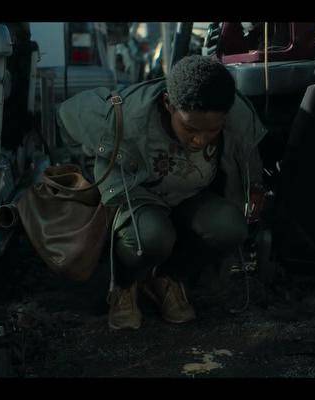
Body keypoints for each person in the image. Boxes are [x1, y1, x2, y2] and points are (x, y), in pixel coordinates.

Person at [57, 55, 267, 330]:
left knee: (229, 227)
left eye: (212, 130)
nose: (199, 139)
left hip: (192, 196)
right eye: (190, 128)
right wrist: (85, 163)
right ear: (168, 104)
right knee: (153, 237)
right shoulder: (128, 115)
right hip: (141, 199)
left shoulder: (234, 112)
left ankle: (167, 278)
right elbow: (68, 114)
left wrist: (254, 185)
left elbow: (248, 153)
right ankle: (124, 285)